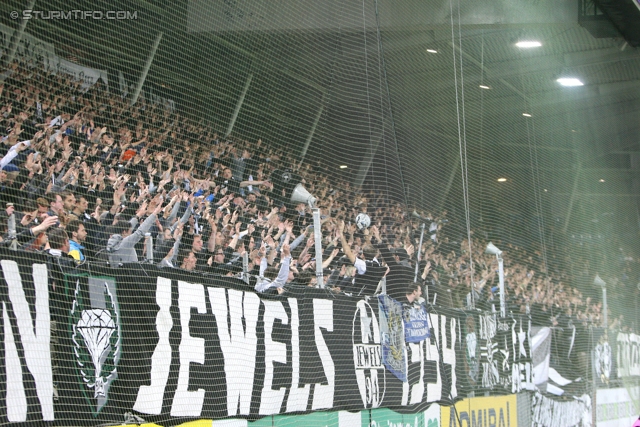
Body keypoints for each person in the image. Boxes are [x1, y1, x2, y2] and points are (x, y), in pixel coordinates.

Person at [337, 220, 387, 296]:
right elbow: (371, 248)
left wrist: (341, 233)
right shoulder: (376, 263)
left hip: (357, 297)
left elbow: (347, 252)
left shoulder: (363, 266)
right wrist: (366, 235)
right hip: (369, 297)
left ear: (363, 255)